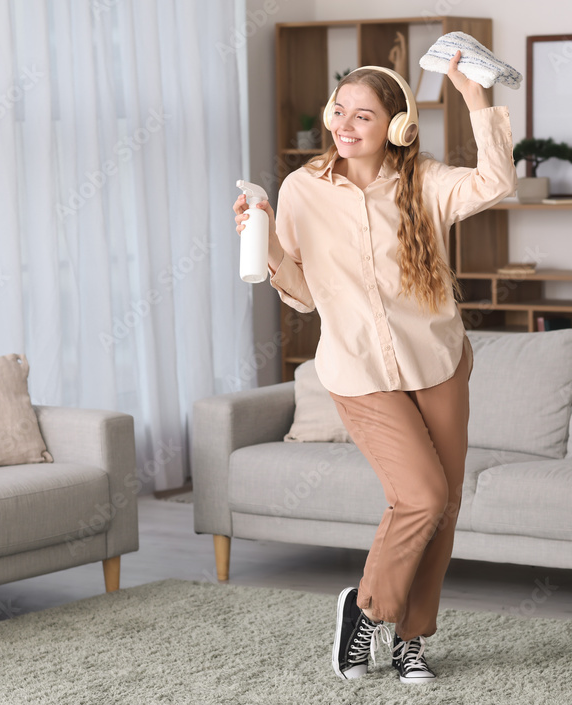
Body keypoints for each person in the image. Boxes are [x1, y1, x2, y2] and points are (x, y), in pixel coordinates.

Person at [233, 50, 516, 683]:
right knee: (421, 495)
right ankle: (365, 611)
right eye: (339, 111)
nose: (345, 124)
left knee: (443, 510)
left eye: (364, 115)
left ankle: (411, 640)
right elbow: (304, 294)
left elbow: (495, 184)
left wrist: (474, 97)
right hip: (358, 371)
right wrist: (271, 244)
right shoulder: (302, 188)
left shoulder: (424, 181)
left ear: (395, 125)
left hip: (438, 363)